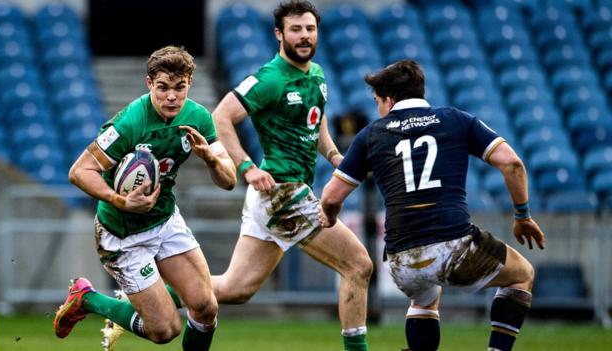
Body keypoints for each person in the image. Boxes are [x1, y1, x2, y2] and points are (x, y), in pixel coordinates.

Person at [319, 60, 546, 351]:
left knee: (424, 298)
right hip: (454, 247)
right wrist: (522, 216)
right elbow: (512, 163)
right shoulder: (456, 119)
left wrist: (329, 216)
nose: (378, 108)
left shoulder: (372, 134)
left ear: (388, 100)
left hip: (401, 259)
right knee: (522, 275)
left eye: (377, 101)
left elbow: (331, 197)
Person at [211, 1, 373, 350]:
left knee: (233, 289)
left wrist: (333, 154)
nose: (304, 36)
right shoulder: (270, 78)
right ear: (278, 34)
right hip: (281, 193)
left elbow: (316, 119)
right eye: (296, 29)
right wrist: (246, 167)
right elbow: (220, 117)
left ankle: (133, 298)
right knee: (358, 265)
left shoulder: (316, 73)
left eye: (309, 29)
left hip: (281, 195)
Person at [53, 45, 237, 351]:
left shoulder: (198, 117)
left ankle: (149, 296)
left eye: (179, 88)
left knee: (206, 306)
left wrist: (212, 160)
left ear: (189, 84)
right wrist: (121, 200)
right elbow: (79, 171)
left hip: (164, 221)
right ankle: (86, 298)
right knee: (165, 330)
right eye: (163, 88)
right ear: (149, 83)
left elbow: (229, 180)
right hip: (122, 234)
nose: (171, 97)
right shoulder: (130, 123)